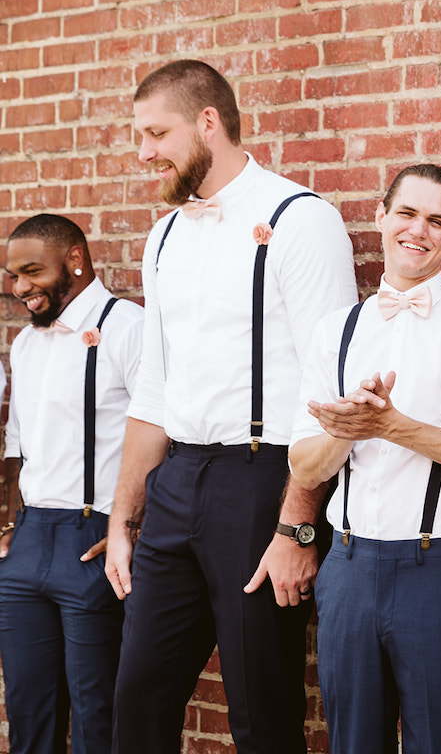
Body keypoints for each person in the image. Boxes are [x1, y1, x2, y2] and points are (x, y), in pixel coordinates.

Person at [105, 59, 358, 752]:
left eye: (156, 133)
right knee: (137, 695)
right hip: (176, 482)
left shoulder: (300, 219)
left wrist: (298, 529)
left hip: (263, 483)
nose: (144, 152)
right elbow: (153, 386)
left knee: (262, 708)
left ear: (208, 123)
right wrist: (125, 515)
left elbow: (328, 389)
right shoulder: (164, 235)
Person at [284, 163, 441, 753]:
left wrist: (392, 426)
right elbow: (304, 466)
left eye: (436, 221)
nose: (418, 230)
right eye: (406, 213)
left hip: (435, 569)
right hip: (345, 569)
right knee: (353, 743)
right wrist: (351, 428)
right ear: (381, 217)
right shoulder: (337, 331)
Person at [0, 214, 141, 754]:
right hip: (29, 540)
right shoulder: (27, 345)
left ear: (75, 260)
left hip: (94, 538)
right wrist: (11, 524)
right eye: (14, 276)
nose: (21, 289)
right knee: (28, 710)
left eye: (32, 271)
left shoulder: (129, 327)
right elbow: (16, 446)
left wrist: (132, 523)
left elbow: (164, 435)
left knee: (95, 712)